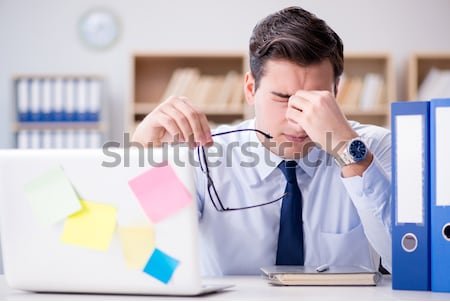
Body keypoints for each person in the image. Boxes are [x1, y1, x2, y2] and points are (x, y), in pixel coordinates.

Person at [132, 6, 392, 276]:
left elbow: (407, 261)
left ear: (336, 92)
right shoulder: (203, 157)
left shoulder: (376, 147)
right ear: (250, 90)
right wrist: (141, 158)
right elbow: (153, 256)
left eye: (316, 101)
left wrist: (348, 149)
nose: (297, 120)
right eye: (282, 98)